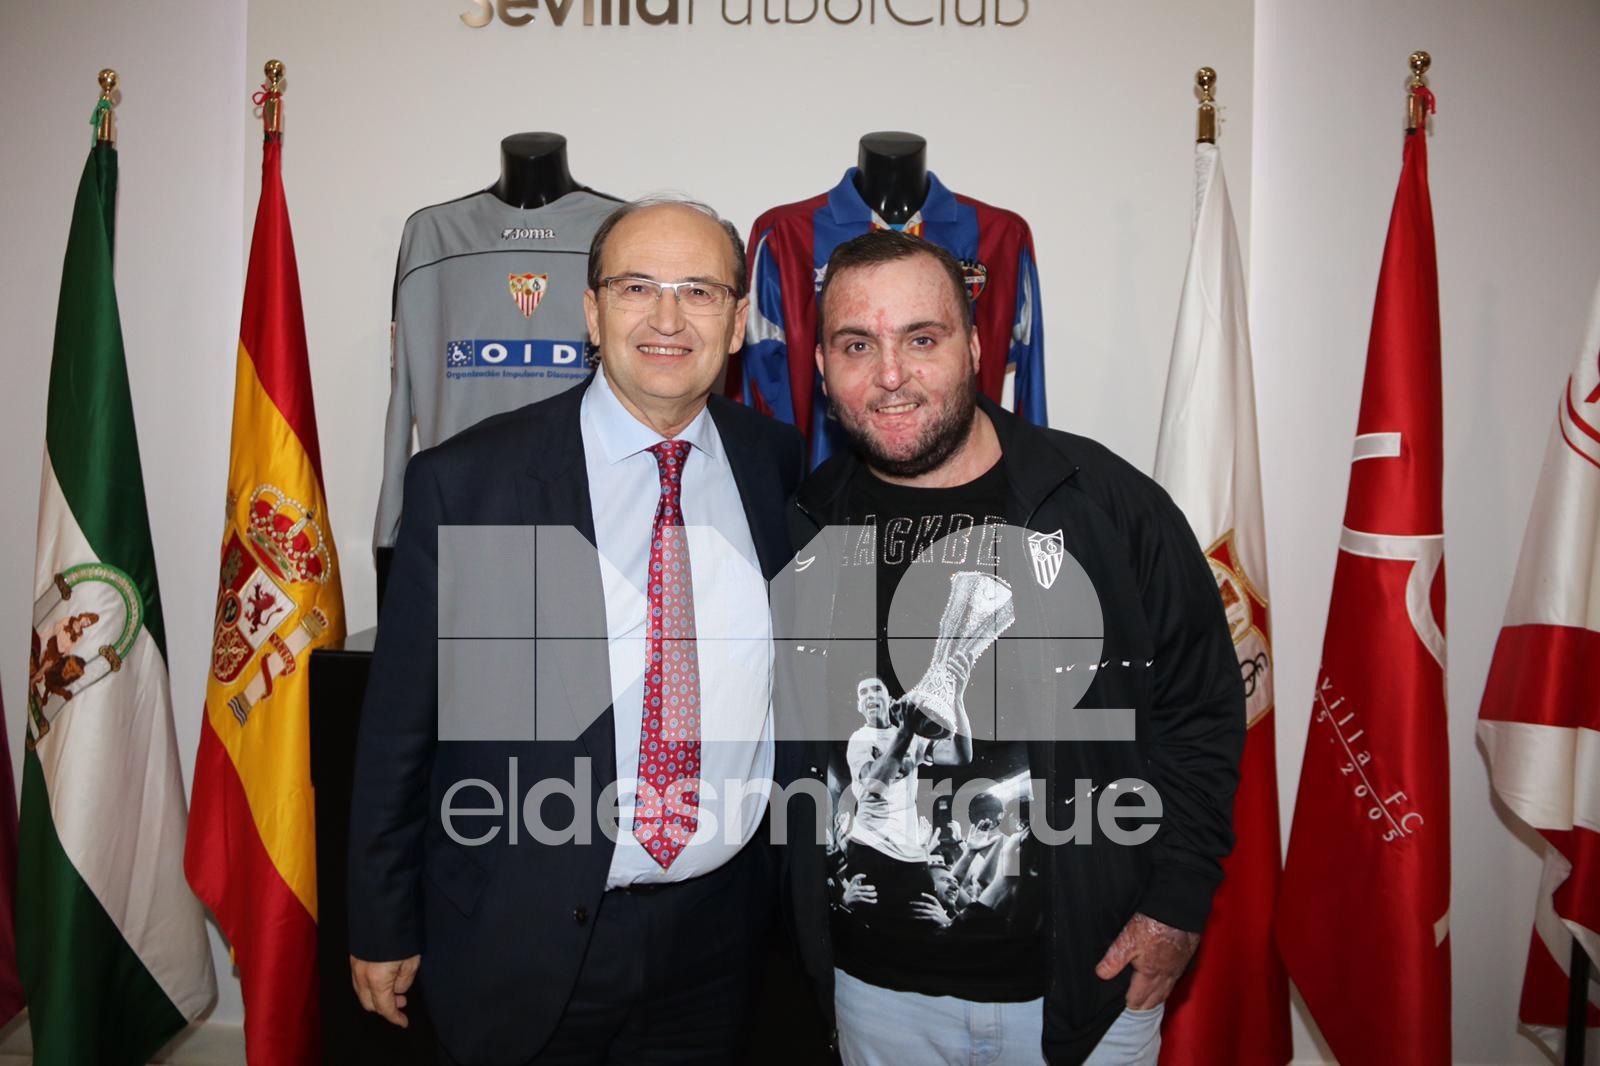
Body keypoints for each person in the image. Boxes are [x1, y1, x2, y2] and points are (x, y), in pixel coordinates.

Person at [346, 198, 805, 1066]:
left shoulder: (771, 462)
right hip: (527, 934)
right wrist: (379, 919)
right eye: (637, 286)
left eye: (699, 292)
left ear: (738, 324)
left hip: (723, 937)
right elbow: (399, 730)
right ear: (592, 312)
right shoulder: (469, 484)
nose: (667, 318)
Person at [777, 231, 1244, 1065]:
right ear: (821, 368)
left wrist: (1175, 904)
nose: (890, 374)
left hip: (1083, 995)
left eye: (922, 339)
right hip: (874, 997)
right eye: (858, 345)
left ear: (978, 345)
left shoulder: (1107, 504)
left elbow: (1203, 712)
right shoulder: (804, 523)